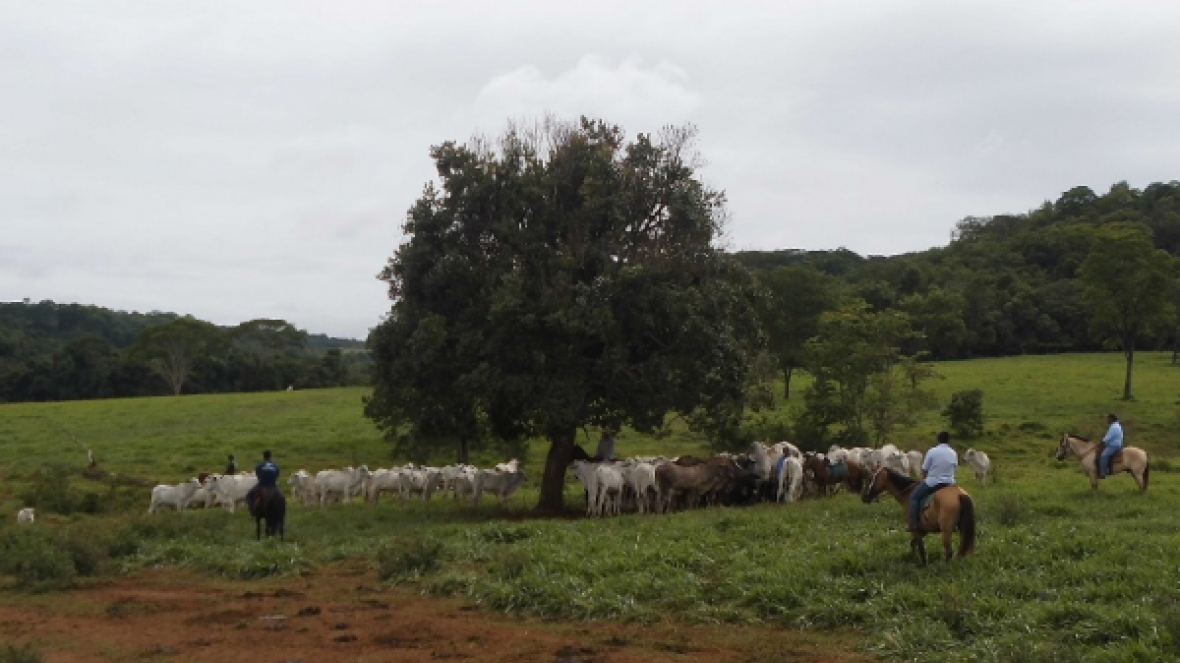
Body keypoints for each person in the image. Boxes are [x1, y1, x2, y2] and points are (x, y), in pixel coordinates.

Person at [909, 431, 958, 533]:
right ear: (949, 440)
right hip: (949, 483)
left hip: (933, 482)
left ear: (938, 440)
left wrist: (923, 479)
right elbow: (954, 468)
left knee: (914, 498)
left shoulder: (932, 451)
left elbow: (925, 469)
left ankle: (913, 524)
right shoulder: (953, 452)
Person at [246, 450, 280, 518]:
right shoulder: (276, 466)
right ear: (271, 456)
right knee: (281, 497)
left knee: (249, 496)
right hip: (273, 486)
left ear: (263, 457)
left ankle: (253, 514)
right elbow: (277, 475)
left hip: (262, 485)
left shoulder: (259, 465)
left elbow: (258, 476)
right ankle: (280, 514)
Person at [1098, 414, 1123, 479]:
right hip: (1115, 444)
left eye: (1108, 419)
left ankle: (1102, 473)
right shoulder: (1117, 426)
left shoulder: (1114, 427)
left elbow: (1108, 437)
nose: (1107, 420)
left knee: (1103, 455)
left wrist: (1102, 442)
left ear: (1111, 419)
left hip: (1113, 445)